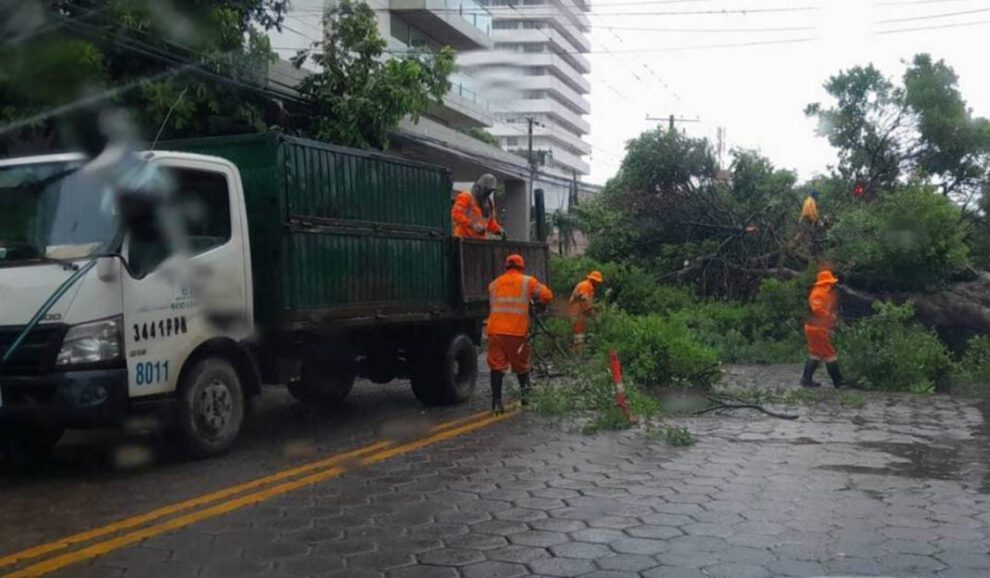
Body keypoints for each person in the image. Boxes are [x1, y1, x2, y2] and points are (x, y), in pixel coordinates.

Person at [487, 254, 553, 414]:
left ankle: (496, 403)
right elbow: (547, 295)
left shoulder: (493, 284)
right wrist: (539, 304)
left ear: (506, 267)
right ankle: (526, 397)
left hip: (495, 331)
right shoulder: (527, 281)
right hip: (516, 331)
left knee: (496, 366)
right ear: (521, 267)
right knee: (522, 366)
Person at [801, 268, 846, 388]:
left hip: (814, 327)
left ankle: (806, 380)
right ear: (826, 283)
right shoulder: (818, 293)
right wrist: (830, 316)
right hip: (816, 328)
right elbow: (817, 309)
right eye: (831, 282)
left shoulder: (823, 293)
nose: (833, 284)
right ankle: (838, 381)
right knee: (830, 354)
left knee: (815, 353)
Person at [452, 173, 505, 240]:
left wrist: (498, 230)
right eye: (486, 190)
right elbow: (456, 214)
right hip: (463, 239)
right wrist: (472, 224)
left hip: (479, 242)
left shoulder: (489, 203)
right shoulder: (466, 197)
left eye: (490, 191)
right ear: (479, 187)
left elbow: (490, 223)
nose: (487, 193)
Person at [569, 271, 604, 352]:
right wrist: (593, 315)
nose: (598, 284)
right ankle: (578, 355)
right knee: (579, 333)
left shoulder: (589, 286)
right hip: (576, 310)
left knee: (580, 332)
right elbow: (585, 302)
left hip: (579, 311)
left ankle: (577, 352)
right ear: (594, 280)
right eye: (597, 282)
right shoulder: (586, 286)